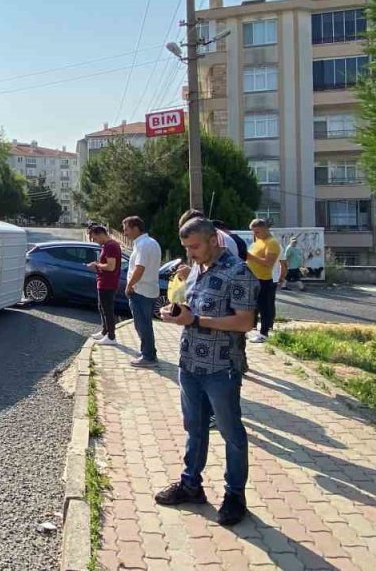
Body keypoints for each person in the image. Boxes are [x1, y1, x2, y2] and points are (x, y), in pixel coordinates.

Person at [155, 218, 259, 527]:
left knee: (231, 434)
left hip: (221, 369)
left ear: (214, 240)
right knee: (195, 428)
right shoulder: (198, 269)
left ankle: (235, 496)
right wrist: (178, 313)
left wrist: (196, 320)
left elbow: (245, 322)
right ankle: (191, 486)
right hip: (189, 365)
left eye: (195, 247)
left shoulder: (239, 273)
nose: (190, 254)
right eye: (186, 248)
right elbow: (195, 308)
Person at [122, 215, 162, 367]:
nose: (125, 233)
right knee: (145, 324)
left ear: (136, 228)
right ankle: (148, 352)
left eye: (126, 229)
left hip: (141, 291)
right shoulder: (151, 242)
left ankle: (148, 357)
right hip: (149, 289)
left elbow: (139, 268)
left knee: (142, 325)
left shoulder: (143, 245)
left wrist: (129, 285)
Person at [245, 218, 281, 343]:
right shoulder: (258, 241)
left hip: (264, 279)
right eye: (253, 232)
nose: (255, 235)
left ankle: (264, 333)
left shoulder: (272, 243)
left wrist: (250, 257)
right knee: (253, 306)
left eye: (257, 232)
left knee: (264, 306)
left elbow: (268, 263)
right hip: (253, 278)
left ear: (265, 229)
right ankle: (249, 329)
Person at [86, 225, 122, 346]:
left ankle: (111, 337)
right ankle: (105, 331)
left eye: (94, 238)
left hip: (108, 282)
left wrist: (96, 265)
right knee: (102, 307)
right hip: (103, 281)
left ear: (100, 234)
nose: (94, 241)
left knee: (107, 309)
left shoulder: (110, 246)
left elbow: (111, 266)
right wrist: (99, 264)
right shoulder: (107, 245)